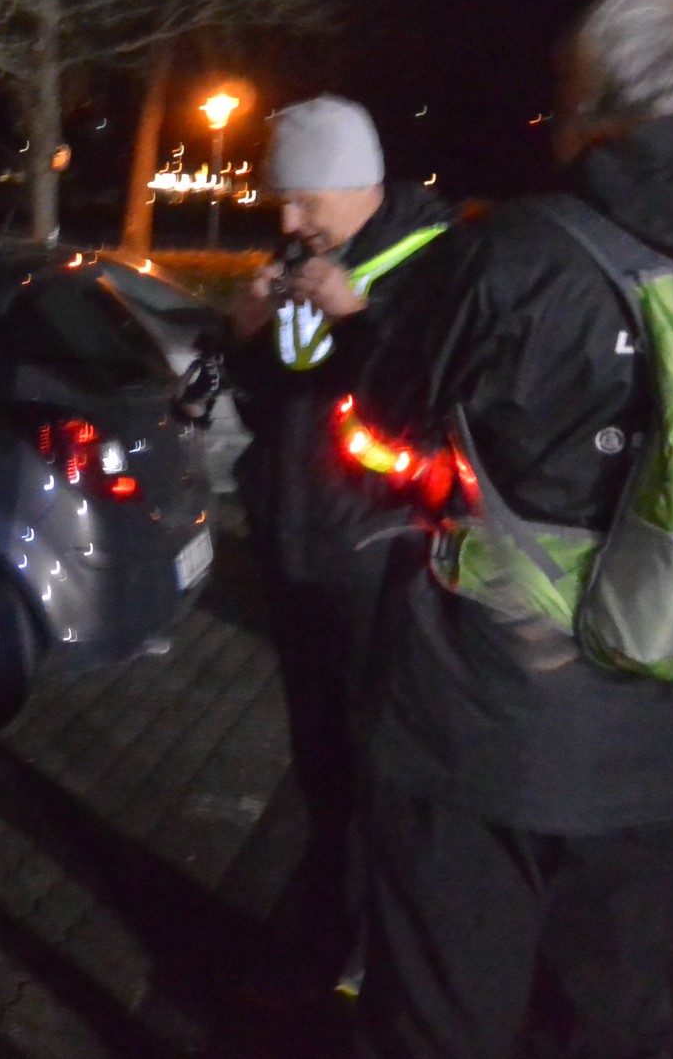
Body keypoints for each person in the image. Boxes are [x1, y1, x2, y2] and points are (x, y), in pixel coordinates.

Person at [348, 0, 673, 1057]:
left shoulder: (514, 252)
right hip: (667, 723)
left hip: (477, 727)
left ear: (593, 96)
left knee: (440, 1021)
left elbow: (384, 414)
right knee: (609, 1024)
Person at [223, 95, 453, 998]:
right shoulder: (301, 262)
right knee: (320, 755)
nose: (287, 222)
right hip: (298, 545)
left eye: (301, 200)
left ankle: (377, 944)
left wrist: (362, 320)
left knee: (383, 761)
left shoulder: (435, 265)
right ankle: (326, 918)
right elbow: (277, 398)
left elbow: (434, 401)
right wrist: (244, 339)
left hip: (384, 555)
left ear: (356, 184)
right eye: (281, 201)